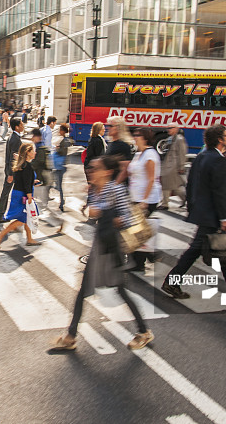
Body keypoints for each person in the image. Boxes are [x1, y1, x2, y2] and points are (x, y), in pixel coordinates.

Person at [51, 155, 154, 352]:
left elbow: (128, 218)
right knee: (84, 292)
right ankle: (71, 336)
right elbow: (92, 214)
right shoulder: (98, 189)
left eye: (96, 168)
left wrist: (108, 216)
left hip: (111, 248)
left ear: (107, 171)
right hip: (100, 245)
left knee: (119, 290)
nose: (91, 171)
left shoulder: (116, 189)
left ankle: (143, 332)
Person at [162, 125, 226, 299]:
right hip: (211, 214)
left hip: (202, 212)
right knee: (206, 249)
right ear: (220, 139)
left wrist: (192, 208)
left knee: (208, 248)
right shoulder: (218, 160)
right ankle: (171, 282)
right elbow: (219, 192)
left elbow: (191, 185)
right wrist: (224, 217)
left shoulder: (201, 157)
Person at [127, 128, 162, 271]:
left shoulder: (150, 155)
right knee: (137, 230)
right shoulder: (138, 153)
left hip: (146, 199)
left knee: (137, 231)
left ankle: (139, 263)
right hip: (135, 197)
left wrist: (145, 200)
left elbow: (151, 179)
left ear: (145, 138)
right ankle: (149, 255)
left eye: (137, 135)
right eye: (134, 135)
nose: (135, 137)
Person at [0, 142, 39, 246]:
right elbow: (25, 183)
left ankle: (29, 239)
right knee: (23, 219)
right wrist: (29, 196)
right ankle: (2, 234)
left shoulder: (21, 165)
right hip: (23, 195)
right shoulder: (27, 166)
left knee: (27, 217)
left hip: (18, 193)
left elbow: (23, 180)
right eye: (33, 151)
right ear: (28, 152)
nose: (35, 152)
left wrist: (32, 182)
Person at [0, 116, 24, 223]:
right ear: (17, 127)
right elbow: (13, 158)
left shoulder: (14, 137)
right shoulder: (15, 139)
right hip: (12, 172)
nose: (23, 126)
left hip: (13, 171)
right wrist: (10, 174)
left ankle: (12, 213)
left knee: (13, 193)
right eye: (21, 124)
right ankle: (1, 215)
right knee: (6, 193)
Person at [159, 125, 187, 210]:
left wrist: (181, 166)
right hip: (167, 165)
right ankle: (165, 203)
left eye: (170, 128)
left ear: (176, 129)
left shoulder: (179, 139)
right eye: (168, 128)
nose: (168, 130)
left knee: (174, 185)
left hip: (174, 166)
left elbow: (182, 153)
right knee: (169, 184)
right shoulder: (170, 138)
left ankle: (166, 203)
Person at [52, 123, 74, 212]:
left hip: (60, 166)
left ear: (63, 131)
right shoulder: (65, 140)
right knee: (57, 184)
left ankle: (62, 203)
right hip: (61, 165)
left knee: (58, 185)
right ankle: (62, 201)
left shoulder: (64, 141)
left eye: (60, 130)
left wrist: (57, 149)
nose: (59, 131)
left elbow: (62, 152)